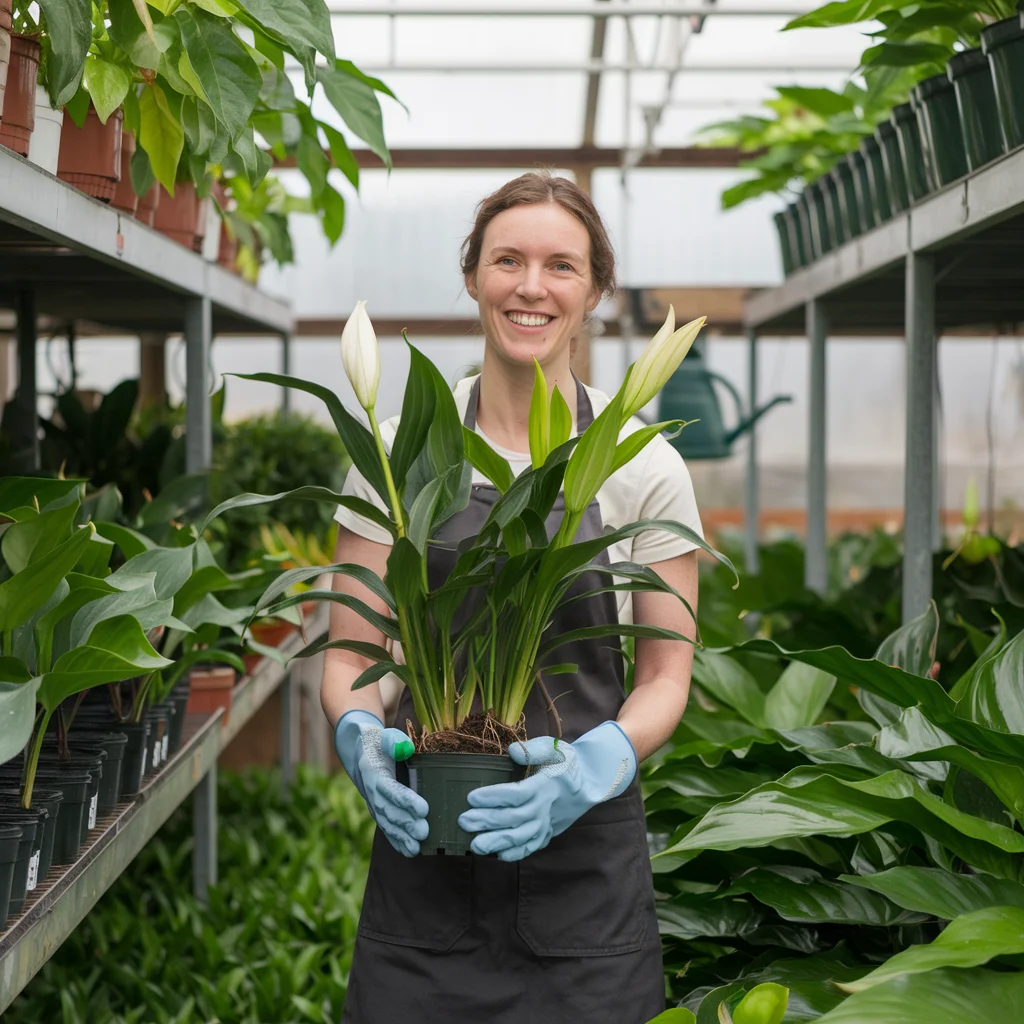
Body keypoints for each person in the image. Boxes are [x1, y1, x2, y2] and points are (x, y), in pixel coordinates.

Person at [322, 171, 702, 1024]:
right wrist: (358, 731)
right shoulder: (395, 454)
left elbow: (665, 677)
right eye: (508, 261)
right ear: (472, 277)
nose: (532, 287)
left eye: (561, 266)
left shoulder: (643, 464)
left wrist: (594, 764)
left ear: (594, 290)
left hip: (586, 898)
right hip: (426, 882)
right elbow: (352, 656)